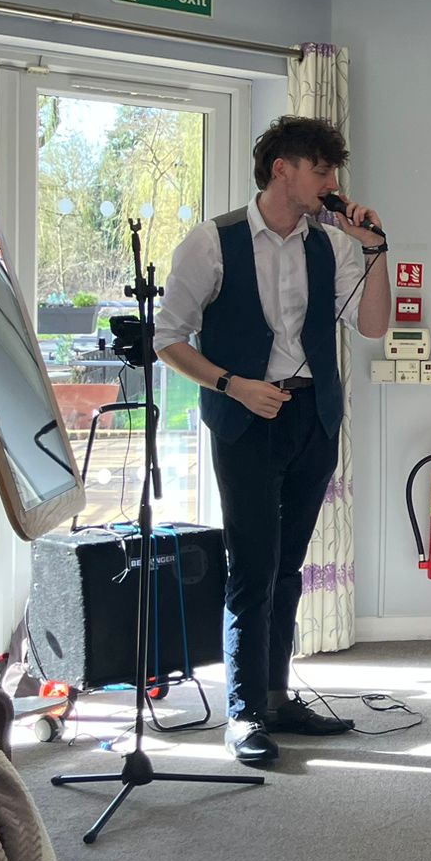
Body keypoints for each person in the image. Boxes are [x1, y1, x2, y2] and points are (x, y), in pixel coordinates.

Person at [156, 116, 391, 765]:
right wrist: (232, 385)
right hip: (245, 416)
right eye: (322, 169)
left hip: (314, 416)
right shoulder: (212, 242)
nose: (332, 182)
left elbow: (373, 327)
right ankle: (243, 712)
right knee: (253, 568)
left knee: (288, 567)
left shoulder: (334, 246)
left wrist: (375, 250)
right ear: (282, 169)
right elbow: (168, 337)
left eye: (333, 170)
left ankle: (277, 695)